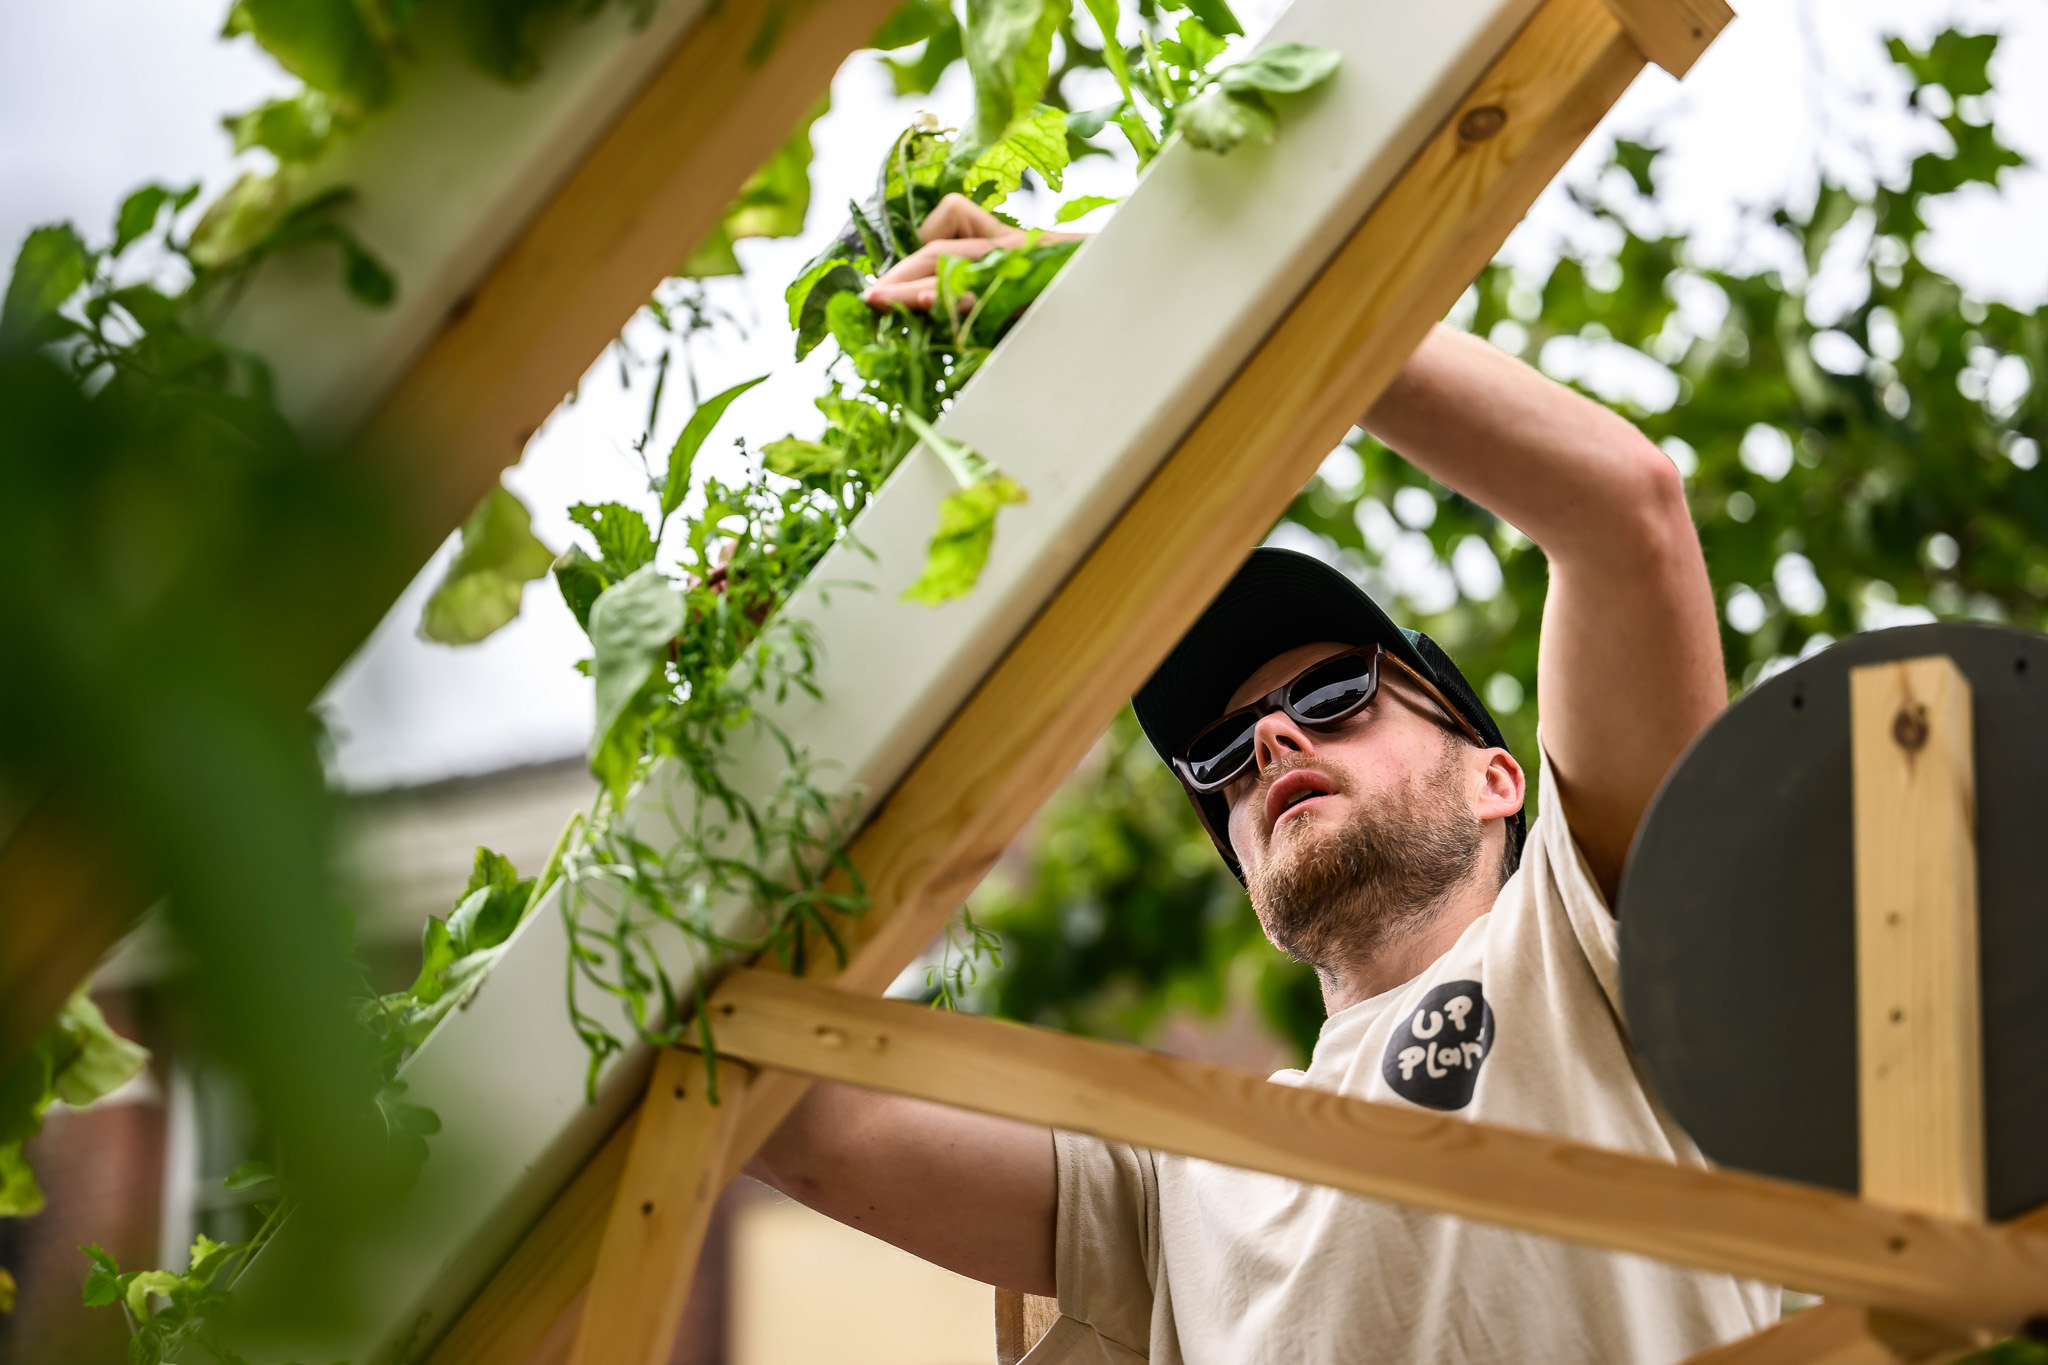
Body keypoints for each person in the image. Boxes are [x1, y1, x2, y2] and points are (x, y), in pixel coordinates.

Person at [748, 195, 1775, 1363]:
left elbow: (1621, 509)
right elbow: (797, 1118)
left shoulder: (1602, 948)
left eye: (1334, 694)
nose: (1273, 744)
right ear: (1239, 866)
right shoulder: (1180, 1175)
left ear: (1499, 780)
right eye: (1221, 758)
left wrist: (1167, 297)